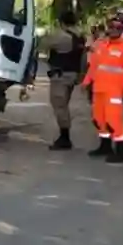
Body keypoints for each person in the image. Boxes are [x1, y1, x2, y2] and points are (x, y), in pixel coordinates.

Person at [82, 14, 123, 163]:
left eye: (117, 27)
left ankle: (122, 150)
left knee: (114, 120)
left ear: (122, 28)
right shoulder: (100, 44)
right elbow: (94, 66)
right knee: (99, 119)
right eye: (111, 26)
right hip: (99, 88)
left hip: (115, 90)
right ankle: (105, 146)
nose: (113, 30)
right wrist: (86, 81)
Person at [41, 10, 85, 150]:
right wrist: (81, 74)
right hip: (72, 74)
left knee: (60, 106)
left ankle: (64, 138)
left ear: (61, 22)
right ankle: (64, 136)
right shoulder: (79, 36)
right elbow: (82, 58)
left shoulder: (61, 36)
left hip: (60, 75)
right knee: (64, 104)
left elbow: (43, 45)